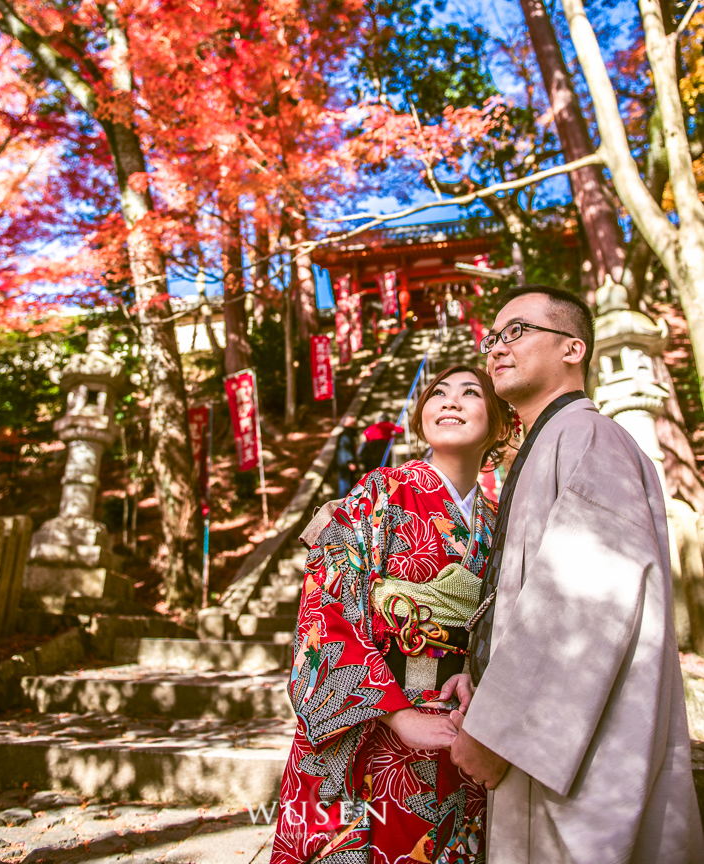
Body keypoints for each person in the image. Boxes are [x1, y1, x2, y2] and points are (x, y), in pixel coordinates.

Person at [447, 284, 703, 863]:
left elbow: (586, 598)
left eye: (517, 331)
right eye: (493, 337)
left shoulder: (589, 435)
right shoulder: (550, 443)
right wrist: (478, 670)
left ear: (572, 349)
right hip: (547, 739)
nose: (497, 348)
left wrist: (496, 732)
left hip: (574, 747)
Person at [271, 365, 513, 864]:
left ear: (498, 423)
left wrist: (481, 679)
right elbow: (327, 599)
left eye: (470, 392)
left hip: (464, 725)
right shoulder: (379, 492)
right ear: (420, 417)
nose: (450, 401)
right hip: (378, 723)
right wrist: (398, 714)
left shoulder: (499, 523)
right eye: (438, 393)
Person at [335, 414, 359, 498]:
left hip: (345, 462)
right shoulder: (345, 435)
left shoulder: (350, 434)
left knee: (350, 485)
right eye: (350, 422)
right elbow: (345, 449)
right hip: (344, 464)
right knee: (345, 486)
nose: (352, 424)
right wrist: (350, 461)